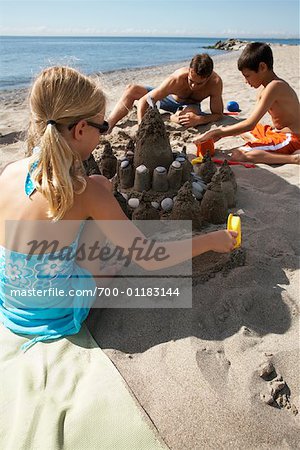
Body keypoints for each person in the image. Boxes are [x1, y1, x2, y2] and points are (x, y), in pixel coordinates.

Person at [0, 66, 236, 351]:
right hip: (53, 311)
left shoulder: (9, 171)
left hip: (12, 301)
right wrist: (212, 240)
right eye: (102, 127)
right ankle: (100, 274)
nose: (103, 135)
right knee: (101, 198)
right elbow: (149, 257)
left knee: (95, 190)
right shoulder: (88, 193)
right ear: (80, 129)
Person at [193, 42, 300, 165]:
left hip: (292, 138)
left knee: (239, 154)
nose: (246, 81)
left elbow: (250, 124)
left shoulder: (275, 86)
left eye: (247, 76)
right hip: (278, 131)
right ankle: (264, 144)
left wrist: (216, 132)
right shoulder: (265, 87)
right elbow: (249, 125)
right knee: (243, 131)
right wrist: (223, 134)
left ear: (262, 67)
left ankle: (294, 158)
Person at [108, 53, 224, 130]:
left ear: (208, 77)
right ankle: (108, 124)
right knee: (131, 89)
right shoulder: (176, 79)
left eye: (199, 83)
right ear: (189, 71)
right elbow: (145, 100)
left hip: (190, 107)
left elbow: (218, 114)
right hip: (168, 99)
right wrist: (141, 127)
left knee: (187, 118)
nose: (193, 86)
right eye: (191, 80)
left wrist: (200, 120)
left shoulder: (215, 83)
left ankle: (169, 117)